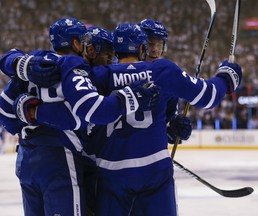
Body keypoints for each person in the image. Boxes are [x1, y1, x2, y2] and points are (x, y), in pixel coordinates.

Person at [21, 23, 242, 215]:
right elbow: (208, 96)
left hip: (111, 174)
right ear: (141, 48)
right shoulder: (162, 70)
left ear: (115, 50)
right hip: (154, 169)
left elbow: (75, 114)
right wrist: (227, 77)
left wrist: (30, 110)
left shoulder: (99, 75)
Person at [0, 18, 160, 216]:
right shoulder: (76, 67)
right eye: (107, 55)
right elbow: (82, 115)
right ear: (80, 45)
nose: (111, 62)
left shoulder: (36, 61)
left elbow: (6, 112)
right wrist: (128, 99)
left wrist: (26, 109)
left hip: (28, 156)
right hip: (63, 158)